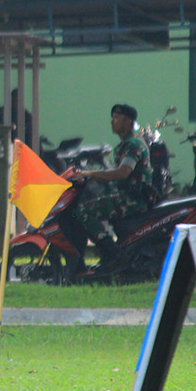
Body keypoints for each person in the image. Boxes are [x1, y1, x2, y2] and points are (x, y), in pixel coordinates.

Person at [71, 104, 153, 271]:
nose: (112, 121)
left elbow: (122, 172)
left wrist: (90, 174)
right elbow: (114, 173)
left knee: (84, 211)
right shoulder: (124, 145)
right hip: (126, 196)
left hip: (134, 199)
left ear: (128, 121)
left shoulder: (134, 144)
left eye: (116, 117)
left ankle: (112, 254)